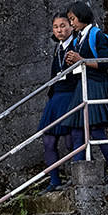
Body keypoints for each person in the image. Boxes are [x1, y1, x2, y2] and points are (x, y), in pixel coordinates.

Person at [62, 1, 108, 185]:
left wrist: (81, 59)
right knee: (77, 131)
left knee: (96, 131)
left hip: (96, 85)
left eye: (72, 19)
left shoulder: (96, 34)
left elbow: (105, 63)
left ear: (82, 16)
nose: (71, 23)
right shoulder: (78, 37)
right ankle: (78, 176)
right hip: (84, 85)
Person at [38, 14, 77, 194]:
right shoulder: (58, 48)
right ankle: (54, 180)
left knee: (71, 141)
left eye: (63, 26)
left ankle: (80, 175)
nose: (60, 30)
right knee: (48, 140)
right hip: (56, 97)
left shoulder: (77, 45)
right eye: (56, 27)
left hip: (71, 96)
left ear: (71, 26)